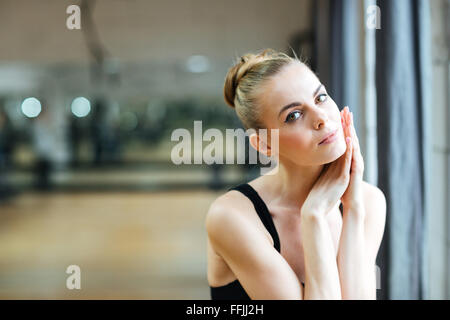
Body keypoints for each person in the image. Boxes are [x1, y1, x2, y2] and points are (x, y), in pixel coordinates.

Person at [205, 49, 386, 300]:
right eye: (294, 115)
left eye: (320, 97)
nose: (321, 118)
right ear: (265, 144)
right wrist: (314, 216)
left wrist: (353, 209)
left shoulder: (367, 200)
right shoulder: (232, 217)